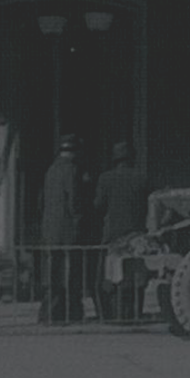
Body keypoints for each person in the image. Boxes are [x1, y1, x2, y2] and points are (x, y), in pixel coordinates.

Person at [92, 142, 150, 322]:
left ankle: (116, 314)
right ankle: (135, 313)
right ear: (132, 157)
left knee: (114, 276)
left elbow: (98, 206)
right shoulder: (142, 178)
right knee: (136, 277)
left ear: (114, 159)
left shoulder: (105, 178)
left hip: (113, 236)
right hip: (137, 235)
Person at [39, 135, 86, 324]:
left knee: (52, 274)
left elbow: (42, 200)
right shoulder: (71, 170)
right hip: (67, 231)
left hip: (50, 230)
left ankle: (48, 314)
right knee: (70, 274)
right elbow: (74, 201)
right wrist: (80, 220)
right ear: (74, 152)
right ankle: (70, 313)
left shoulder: (51, 170)